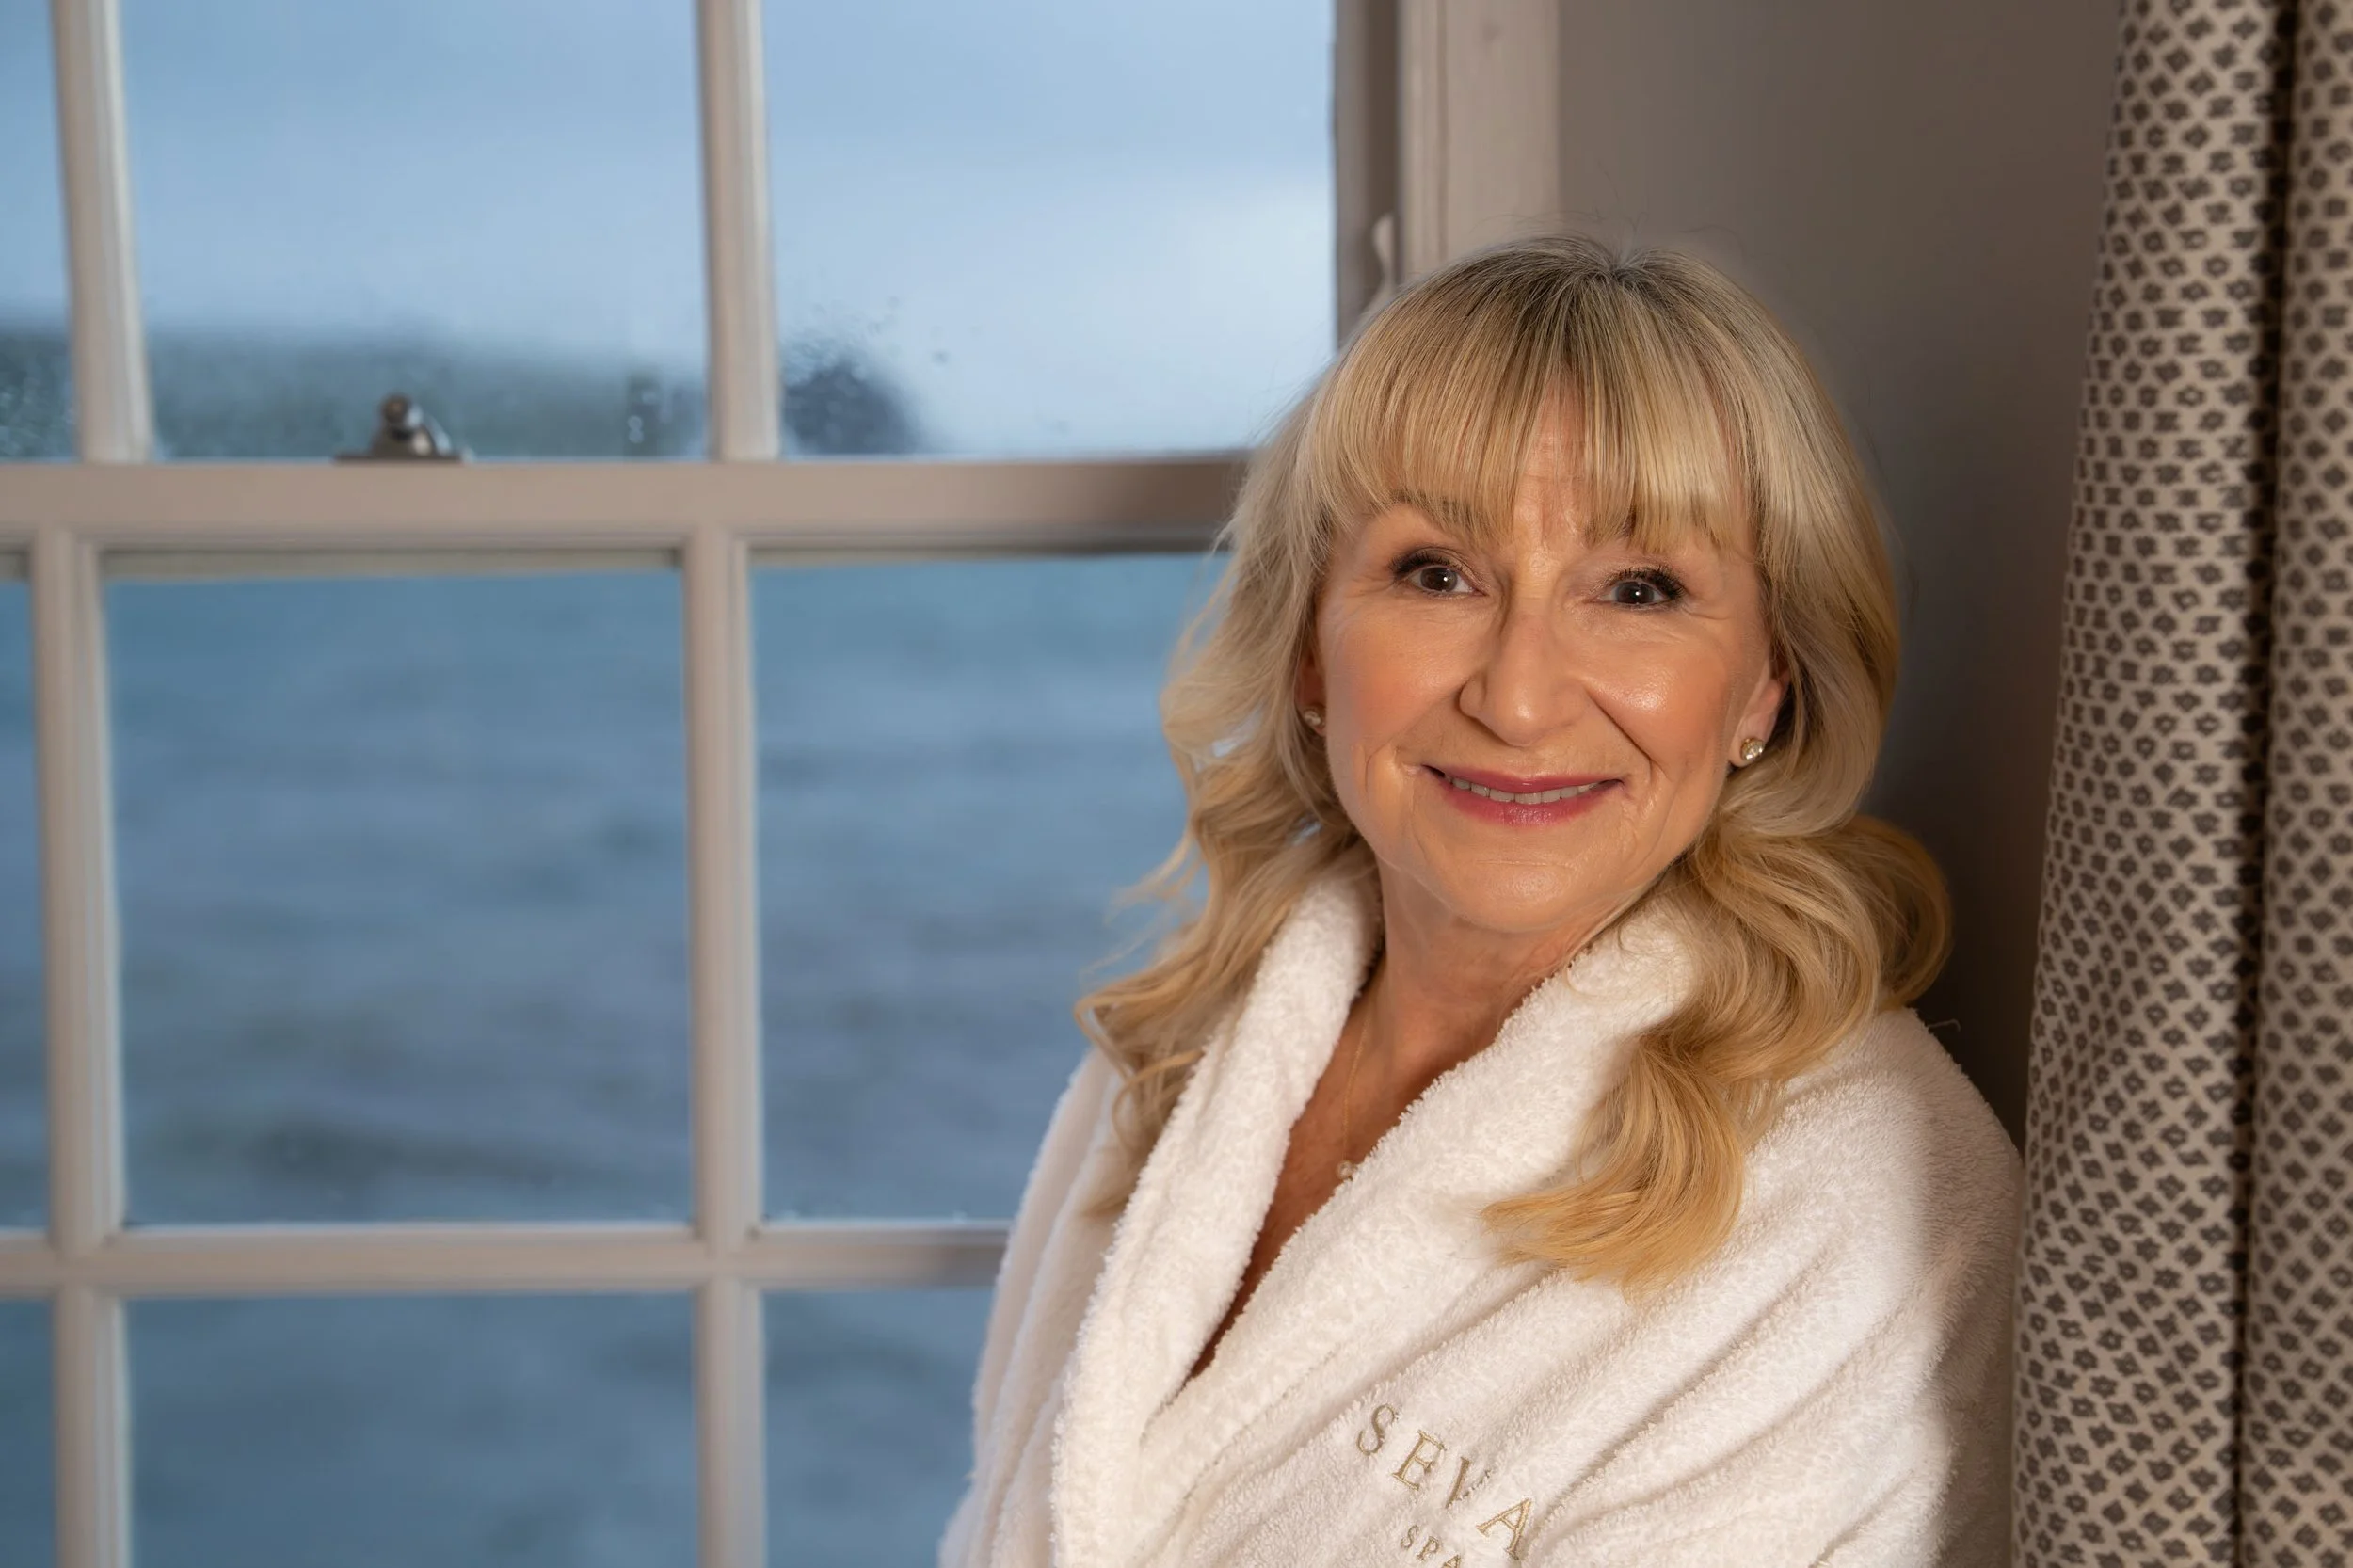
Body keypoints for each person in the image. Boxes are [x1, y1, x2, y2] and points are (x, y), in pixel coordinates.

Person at [940, 235, 2018, 1567]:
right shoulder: (1181, 1049)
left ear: (1763, 685)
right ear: (1311, 649)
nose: (1517, 695)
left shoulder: (1867, 1215)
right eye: (1436, 573)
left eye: (1640, 590)